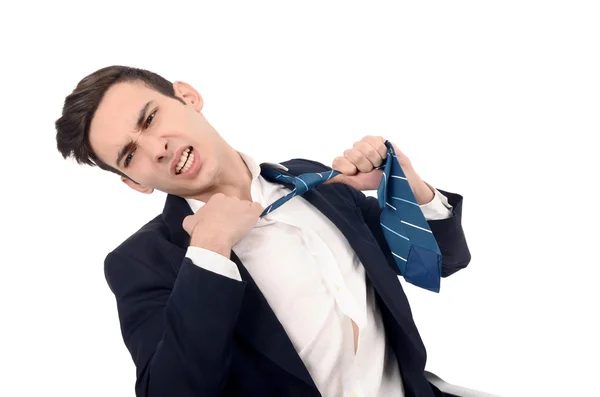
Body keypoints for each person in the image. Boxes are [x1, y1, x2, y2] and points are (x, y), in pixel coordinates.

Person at [55, 65, 470, 397]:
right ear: (134, 182)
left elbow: (439, 261)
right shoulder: (140, 263)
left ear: (187, 96)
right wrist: (209, 251)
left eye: (149, 119)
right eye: (130, 156)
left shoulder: (316, 183)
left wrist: (411, 188)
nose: (156, 148)